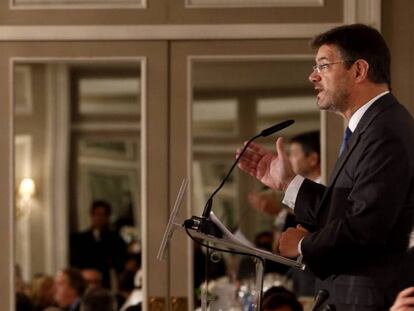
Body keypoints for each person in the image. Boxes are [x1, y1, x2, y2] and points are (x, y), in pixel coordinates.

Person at [237, 23, 414, 310]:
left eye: (323, 65)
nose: (312, 76)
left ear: (358, 71)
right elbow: (347, 209)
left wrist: (303, 246)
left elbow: (365, 230)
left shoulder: (385, 131)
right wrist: (288, 183)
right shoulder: (370, 127)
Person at [70, 200, 127, 288]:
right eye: (97, 214)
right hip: (85, 281)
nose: (99, 218)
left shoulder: (115, 238)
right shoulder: (79, 239)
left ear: (108, 217)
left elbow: (120, 261)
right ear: (92, 216)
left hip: (105, 282)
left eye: (103, 215)